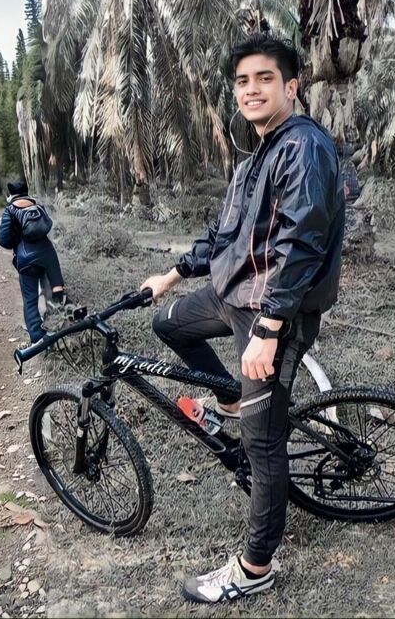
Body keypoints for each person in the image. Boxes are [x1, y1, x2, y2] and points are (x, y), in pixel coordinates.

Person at [141, 33, 345, 603]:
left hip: (273, 313)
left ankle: (256, 568)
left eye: (264, 78)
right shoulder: (257, 155)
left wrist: (270, 330)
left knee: (262, 444)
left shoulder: (303, 147)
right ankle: (230, 397)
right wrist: (173, 275)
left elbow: (302, 244)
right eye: (242, 81)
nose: (251, 89)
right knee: (169, 323)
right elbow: (224, 234)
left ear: (291, 86)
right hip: (231, 296)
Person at [0, 180, 70, 344]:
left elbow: (4, 240)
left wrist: (16, 241)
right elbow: (48, 225)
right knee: (55, 290)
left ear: (11, 194)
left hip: (26, 259)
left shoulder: (10, 211)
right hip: (48, 255)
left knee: (30, 300)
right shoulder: (38, 206)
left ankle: (38, 340)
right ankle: (61, 324)